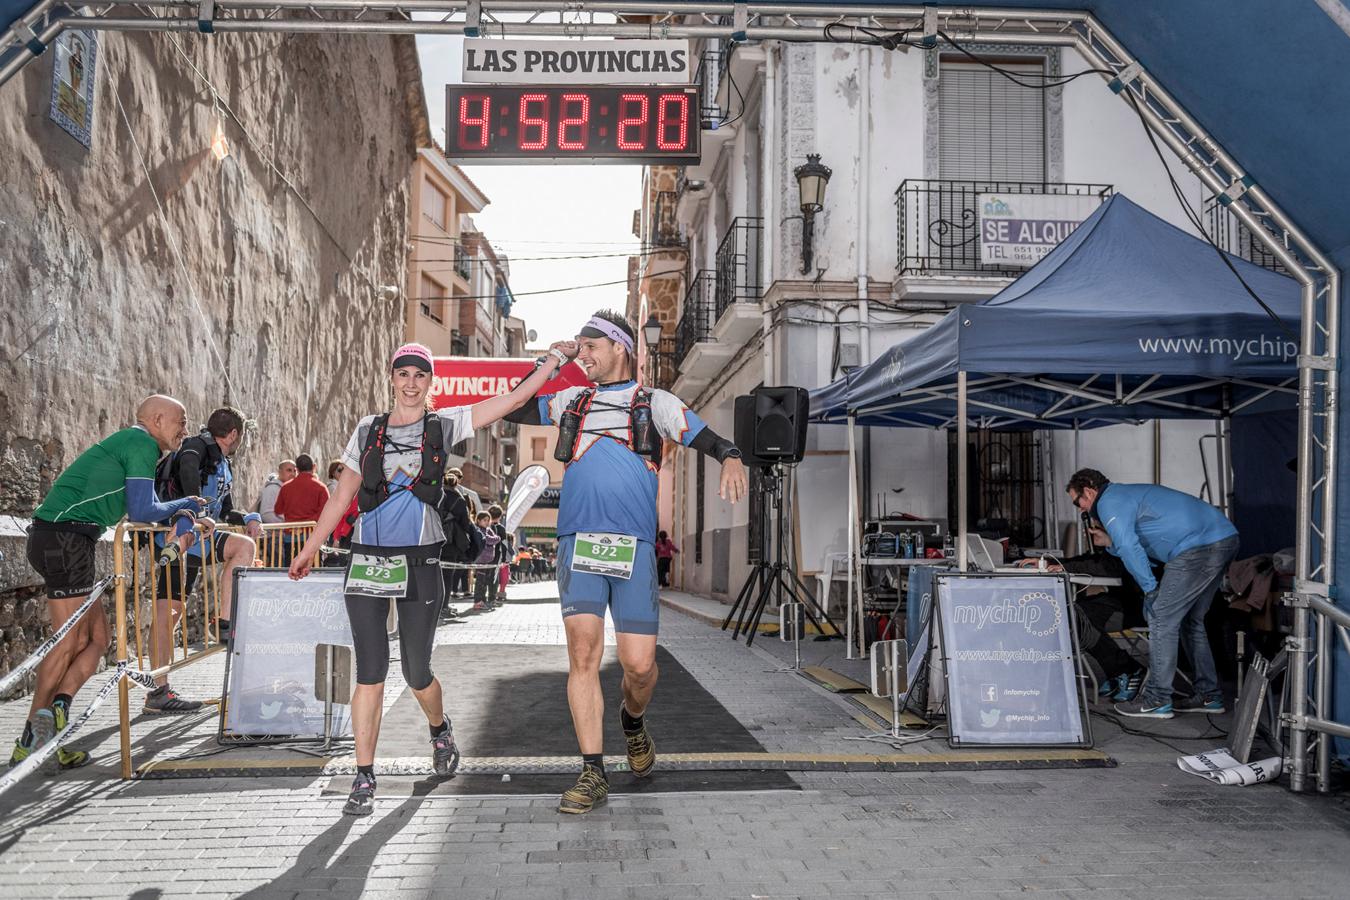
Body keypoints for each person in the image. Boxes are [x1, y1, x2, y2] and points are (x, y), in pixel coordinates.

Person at [288, 341, 572, 817]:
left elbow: (510, 401)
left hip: (420, 560)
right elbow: (340, 499)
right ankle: (364, 775)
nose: (411, 382)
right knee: (371, 670)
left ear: (430, 382)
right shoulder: (368, 430)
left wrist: (550, 363)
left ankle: (439, 730)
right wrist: (308, 550)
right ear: (392, 377)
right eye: (404, 373)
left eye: (421, 375)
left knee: (416, 671)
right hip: (369, 561)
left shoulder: (445, 425)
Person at [505, 310, 748, 814]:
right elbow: (514, 408)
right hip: (579, 543)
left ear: (619, 347)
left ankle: (633, 721)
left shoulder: (654, 403)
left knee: (639, 667)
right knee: (584, 656)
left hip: (633, 548)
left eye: (591, 345)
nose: (584, 353)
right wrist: (555, 359)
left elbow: (709, 438)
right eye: (581, 346)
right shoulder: (572, 399)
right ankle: (592, 771)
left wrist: (730, 455)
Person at [11, 395, 206, 772]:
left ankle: (56, 716)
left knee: (97, 641)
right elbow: (143, 511)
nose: (185, 429)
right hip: (63, 538)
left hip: (69, 540)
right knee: (69, 642)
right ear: (157, 419)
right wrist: (189, 505)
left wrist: (182, 508)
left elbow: (149, 506)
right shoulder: (141, 444)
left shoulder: (138, 445)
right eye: (181, 421)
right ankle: (31, 738)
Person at [1066, 468, 1239, 719]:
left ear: (1090, 491)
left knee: (1160, 617)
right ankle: (1209, 695)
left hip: (1199, 546)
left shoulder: (1109, 501)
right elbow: (1139, 548)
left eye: (1077, 501)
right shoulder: (1125, 496)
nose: (1080, 509)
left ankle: (1157, 699)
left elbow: (1130, 547)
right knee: (1191, 621)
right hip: (1221, 538)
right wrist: (1110, 543)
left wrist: (1150, 590)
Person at [148, 407, 263, 713]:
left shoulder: (223, 463)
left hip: (202, 539)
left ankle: (225, 625)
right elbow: (187, 466)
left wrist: (249, 516)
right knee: (167, 616)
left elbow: (225, 510)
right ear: (234, 434)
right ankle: (158, 692)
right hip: (174, 538)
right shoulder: (197, 446)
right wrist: (196, 507)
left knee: (244, 546)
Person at [436, 467, 479, 606]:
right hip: (451, 542)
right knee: (447, 576)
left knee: (433, 574)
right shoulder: (459, 500)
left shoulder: (435, 496)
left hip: (433, 540)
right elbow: (465, 524)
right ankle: (444, 606)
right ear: (456, 484)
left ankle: (433, 606)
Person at [471, 511, 502, 610]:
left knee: (484, 581)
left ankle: (482, 601)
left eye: (488, 520)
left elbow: (495, 538)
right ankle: (478, 601)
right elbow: (490, 540)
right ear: (478, 520)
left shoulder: (488, 529)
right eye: (484, 520)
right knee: (480, 581)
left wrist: (496, 538)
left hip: (488, 560)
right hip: (481, 559)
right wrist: (496, 538)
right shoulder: (478, 530)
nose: (487, 522)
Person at [257, 459, 297, 524]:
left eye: (295, 471)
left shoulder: (289, 489)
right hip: (276, 532)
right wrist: (286, 524)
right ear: (280, 471)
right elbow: (266, 515)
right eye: (289, 470)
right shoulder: (272, 488)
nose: (293, 474)